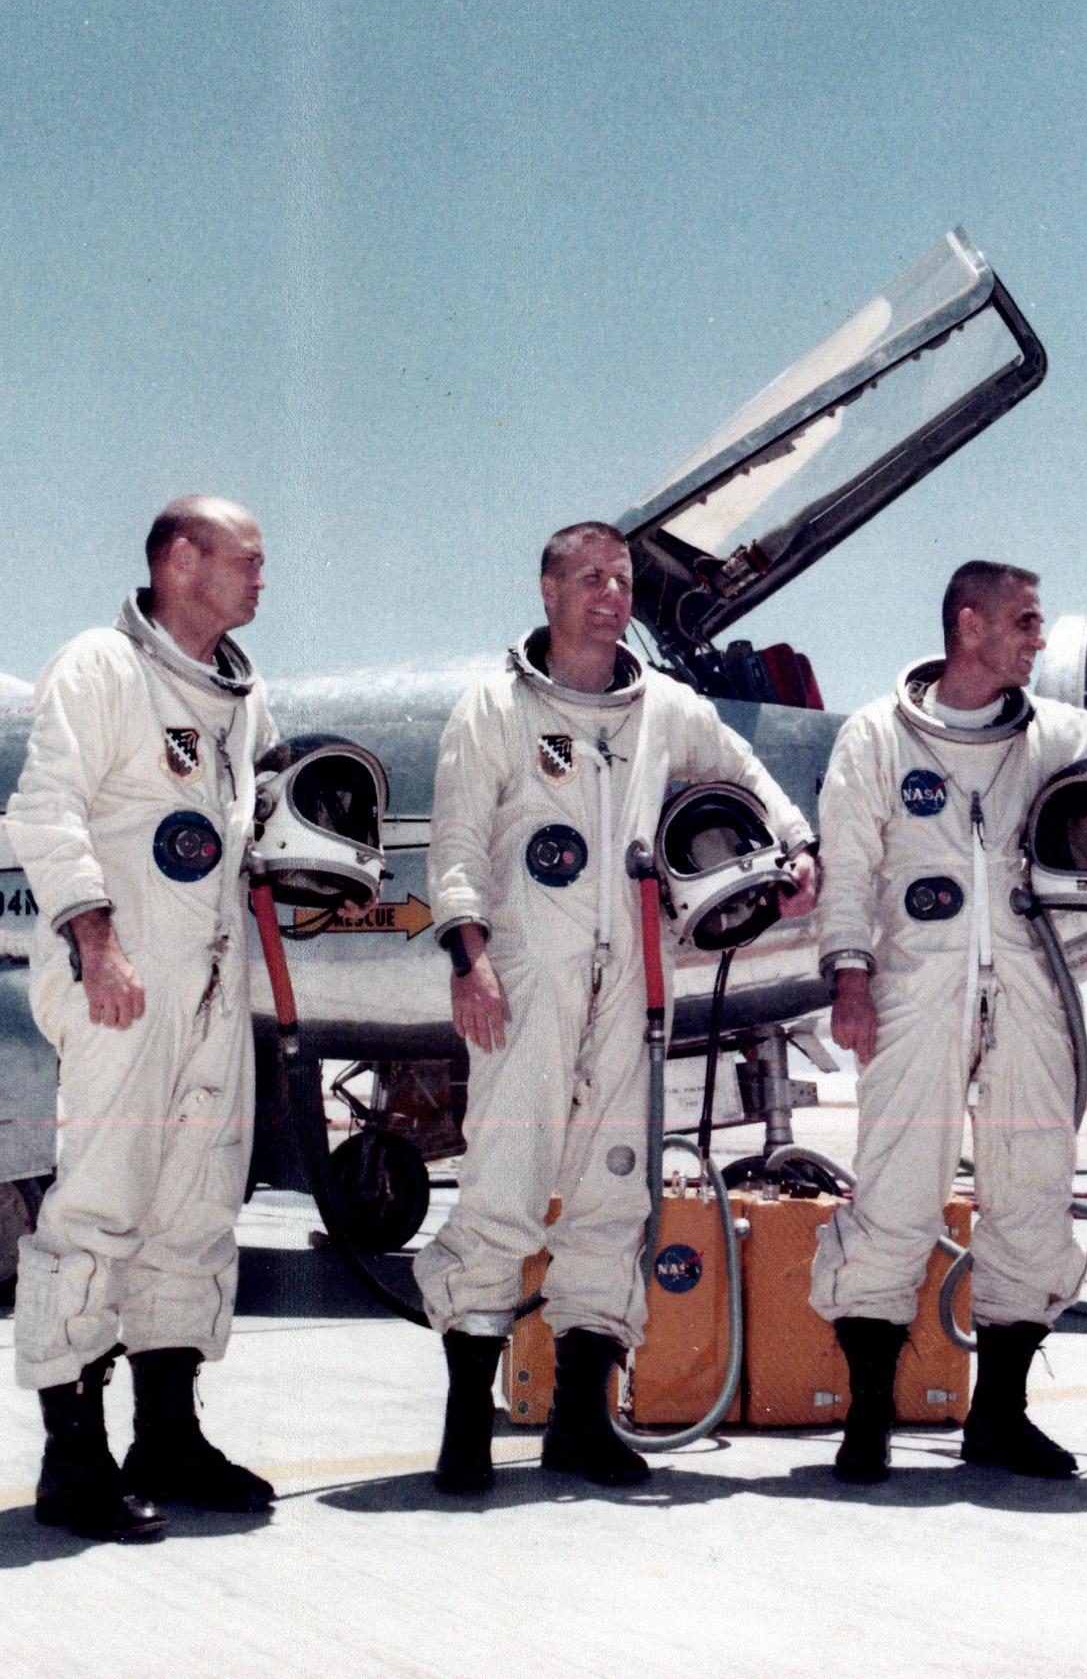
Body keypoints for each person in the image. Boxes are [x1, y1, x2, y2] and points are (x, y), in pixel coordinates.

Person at [415, 521, 818, 1494]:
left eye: (622, 578)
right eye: (590, 577)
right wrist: (470, 963)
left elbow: (745, 776)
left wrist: (799, 845)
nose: (610, 593)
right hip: (526, 984)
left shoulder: (665, 712)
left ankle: (581, 1421)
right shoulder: (494, 710)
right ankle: (467, 1419)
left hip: (634, 990)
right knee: (503, 1186)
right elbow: (458, 847)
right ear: (547, 589)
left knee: (613, 1198)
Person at [808, 560, 1087, 1484]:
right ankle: (867, 1415)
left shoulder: (1052, 734)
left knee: (1031, 1197)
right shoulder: (879, 736)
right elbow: (850, 867)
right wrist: (850, 975)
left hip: (1029, 986)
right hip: (915, 988)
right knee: (893, 1198)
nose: (1039, 638)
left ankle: (1001, 1414)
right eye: (1025, 621)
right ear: (970, 625)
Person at [3, 496, 279, 1541]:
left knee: (196, 1209)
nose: (263, 580)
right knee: (101, 1208)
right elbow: (45, 808)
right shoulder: (100, 669)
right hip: (118, 979)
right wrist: (95, 938)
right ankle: (72, 1460)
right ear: (178, 560)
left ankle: (167, 1432)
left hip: (210, 988)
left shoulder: (237, 702)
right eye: (247, 561)